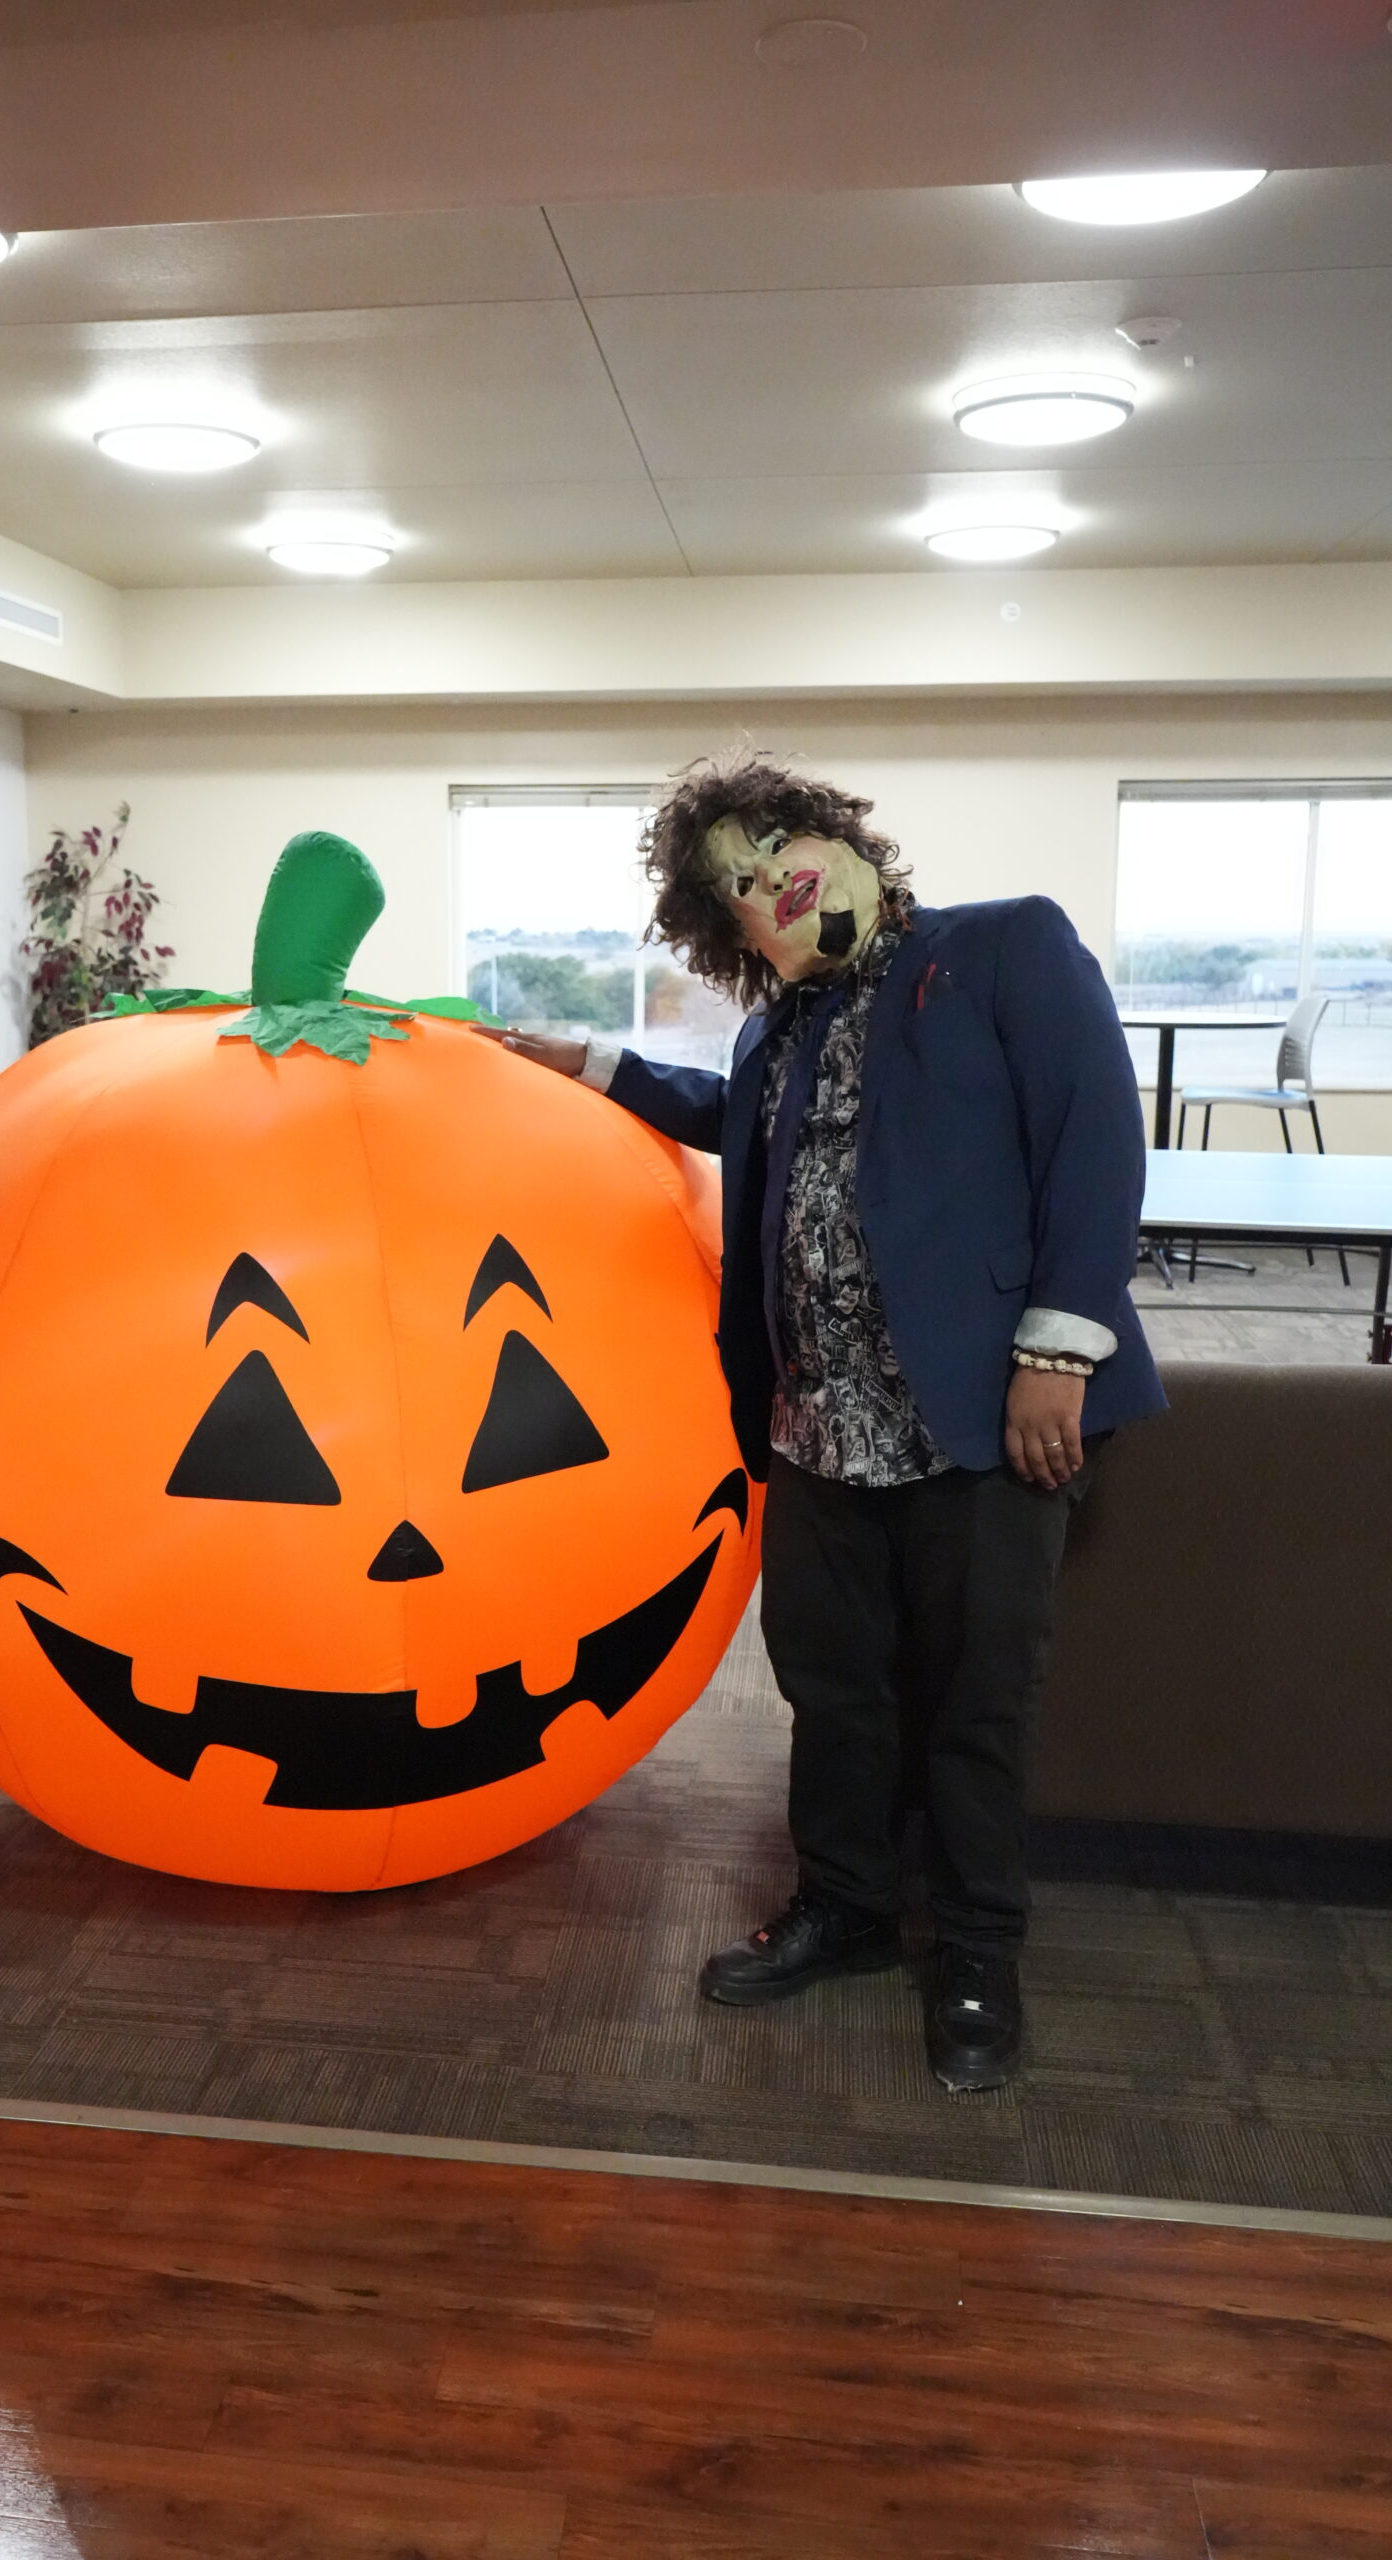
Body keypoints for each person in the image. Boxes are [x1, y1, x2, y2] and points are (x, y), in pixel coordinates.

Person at [481, 752, 1165, 2093]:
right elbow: (742, 1124)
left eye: (777, 843)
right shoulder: (773, 1032)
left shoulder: (1004, 949)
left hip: (985, 1420)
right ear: (725, 931)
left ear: (841, 835)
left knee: (976, 1701)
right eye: (737, 883)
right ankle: (845, 1908)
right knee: (833, 1693)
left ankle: (975, 1951)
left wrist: (1059, 1352)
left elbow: (1095, 1136)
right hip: (816, 1432)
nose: (772, 880)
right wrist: (592, 1064)